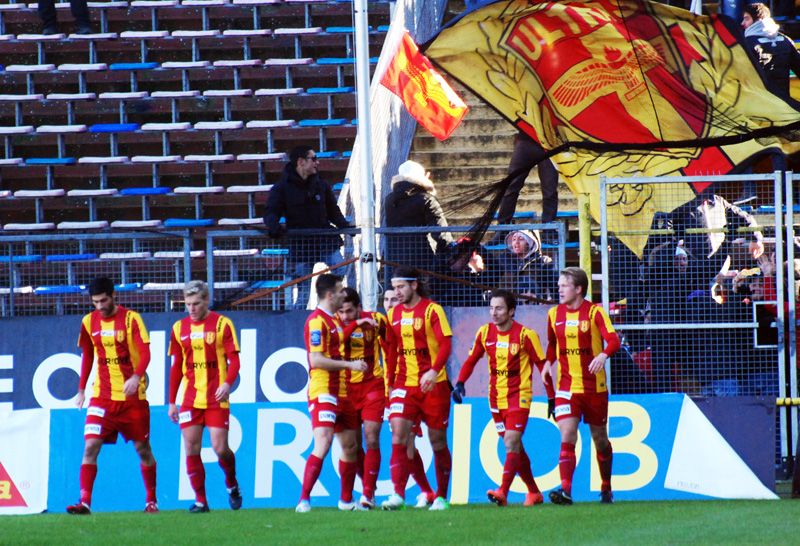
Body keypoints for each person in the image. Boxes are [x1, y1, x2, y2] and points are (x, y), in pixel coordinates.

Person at [453, 289, 554, 507]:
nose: (494, 313)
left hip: (519, 396)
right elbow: (471, 360)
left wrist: (552, 398)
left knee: (511, 442)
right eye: (491, 308)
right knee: (515, 447)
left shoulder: (526, 335)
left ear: (511, 311)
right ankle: (534, 492)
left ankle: (502, 492)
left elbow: (542, 368)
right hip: (494, 398)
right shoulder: (484, 333)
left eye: (499, 308)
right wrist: (460, 382)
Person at [67, 277, 157, 514]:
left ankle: (151, 501)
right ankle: (84, 502)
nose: (99, 306)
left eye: (103, 300)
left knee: (142, 449)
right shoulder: (88, 321)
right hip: (102, 397)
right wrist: (81, 389)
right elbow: (88, 355)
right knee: (90, 447)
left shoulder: (131, 319)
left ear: (113, 295)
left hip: (132, 398)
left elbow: (146, 353)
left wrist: (136, 376)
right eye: (95, 302)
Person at [544, 267, 620, 505]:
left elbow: (614, 340)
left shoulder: (595, 312)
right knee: (567, 433)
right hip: (567, 386)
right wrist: (548, 363)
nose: (559, 289)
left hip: (594, 388)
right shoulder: (554, 314)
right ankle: (565, 490)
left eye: (564, 285)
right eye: (559, 285)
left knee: (600, 439)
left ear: (578, 289)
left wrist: (603, 355)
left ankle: (606, 486)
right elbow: (551, 344)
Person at [381, 267, 454, 511]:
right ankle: (398, 494)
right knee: (399, 435)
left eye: (401, 287)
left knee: (437, 442)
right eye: (394, 287)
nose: (397, 292)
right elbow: (391, 351)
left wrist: (433, 371)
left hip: (434, 386)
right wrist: (390, 384)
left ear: (414, 285)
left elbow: (445, 344)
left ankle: (441, 497)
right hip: (404, 384)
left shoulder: (433, 310)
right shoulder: (393, 315)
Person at [168, 280, 242, 513]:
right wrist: (171, 402)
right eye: (188, 304)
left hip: (215, 398)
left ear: (207, 300)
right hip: (190, 399)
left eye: (196, 303)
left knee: (221, 448)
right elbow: (177, 365)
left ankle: (231, 483)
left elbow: (235, 360)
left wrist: (228, 383)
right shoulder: (179, 328)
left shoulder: (222, 324)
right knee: (191, 449)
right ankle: (201, 501)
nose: (191, 308)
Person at [295, 274, 367, 513]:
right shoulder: (317, 322)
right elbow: (316, 360)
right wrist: (350, 365)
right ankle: (303, 500)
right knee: (323, 442)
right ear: (329, 295)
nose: (342, 295)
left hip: (342, 391)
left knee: (350, 445)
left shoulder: (334, 321)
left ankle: (346, 501)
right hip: (323, 389)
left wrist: (356, 324)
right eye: (339, 291)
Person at [263, 146, 351, 309]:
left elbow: (333, 211)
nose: (317, 162)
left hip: (324, 239)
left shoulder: (322, 185)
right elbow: (271, 211)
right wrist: (274, 226)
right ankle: (299, 319)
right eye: (314, 159)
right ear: (301, 162)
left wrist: (345, 226)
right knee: (302, 288)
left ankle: (332, 305)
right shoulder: (282, 188)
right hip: (300, 243)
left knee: (340, 268)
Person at [382, 287, 437, 508]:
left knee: (405, 441)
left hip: (411, 388)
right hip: (391, 390)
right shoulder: (382, 326)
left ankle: (399, 494)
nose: (390, 303)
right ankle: (427, 491)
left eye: (394, 299)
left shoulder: (415, 324)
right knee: (406, 445)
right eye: (386, 299)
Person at [337, 287, 388, 509]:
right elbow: (336, 343)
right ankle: (366, 488)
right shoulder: (336, 325)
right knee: (353, 446)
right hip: (346, 390)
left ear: (359, 307)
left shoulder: (376, 320)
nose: (345, 316)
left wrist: (392, 378)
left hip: (372, 386)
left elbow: (391, 345)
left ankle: (367, 494)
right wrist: (354, 325)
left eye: (350, 311)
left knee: (372, 438)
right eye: (341, 311)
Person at [384, 160, 454, 296]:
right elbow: (440, 232)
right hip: (422, 260)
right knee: (423, 299)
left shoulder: (389, 200)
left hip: (393, 260)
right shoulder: (427, 199)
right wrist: (450, 251)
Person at [496, 132, 559, 240]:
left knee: (550, 189)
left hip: (549, 142)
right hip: (526, 139)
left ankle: (549, 228)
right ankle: (502, 228)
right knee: (511, 187)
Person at [742, 3, 800, 97]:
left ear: (758, 19)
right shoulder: (786, 40)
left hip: (759, 103)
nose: (742, 23)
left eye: (747, 18)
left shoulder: (747, 43)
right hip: (784, 103)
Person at [501, 230, 559, 302]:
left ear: (530, 242)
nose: (516, 242)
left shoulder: (543, 262)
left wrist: (536, 297)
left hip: (535, 306)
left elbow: (554, 289)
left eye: (521, 239)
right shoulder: (504, 261)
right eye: (514, 239)